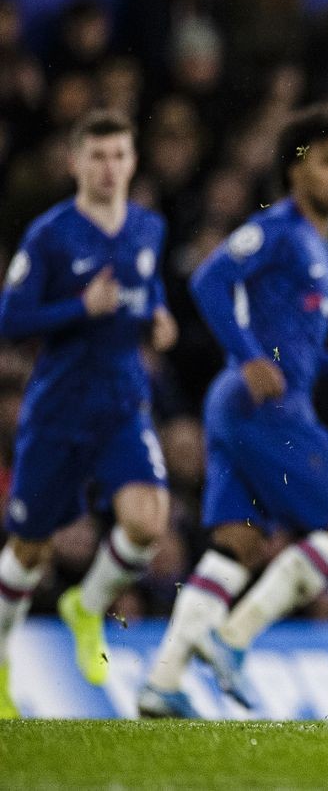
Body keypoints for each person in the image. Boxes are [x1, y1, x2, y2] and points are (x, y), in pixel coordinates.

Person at [137, 107, 328, 718]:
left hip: (246, 403)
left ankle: (161, 684)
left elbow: (292, 337)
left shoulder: (316, 246)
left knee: (237, 546)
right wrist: (245, 354)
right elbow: (208, 280)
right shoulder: (279, 229)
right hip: (266, 406)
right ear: (296, 168)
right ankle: (232, 639)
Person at [0, 110, 177, 718]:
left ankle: (87, 606)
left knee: (148, 520)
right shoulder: (50, 234)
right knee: (30, 549)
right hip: (59, 407)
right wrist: (81, 306)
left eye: (119, 155)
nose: (109, 168)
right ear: (75, 162)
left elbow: (146, 292)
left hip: (123, 401)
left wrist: (158, 317)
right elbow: (11, 320)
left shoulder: (149, 228)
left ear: (133, 161)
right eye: (97, 156)